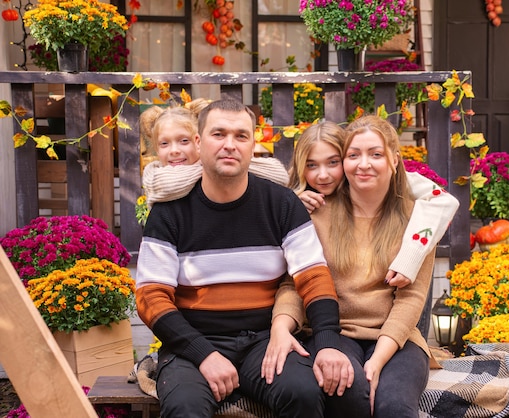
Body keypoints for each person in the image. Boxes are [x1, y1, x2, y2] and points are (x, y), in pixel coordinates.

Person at [135, 99, 354, 418]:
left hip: (264, 342)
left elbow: (313, 278)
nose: (229, 145)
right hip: (193, 345)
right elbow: (150, 297)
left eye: (241, 136)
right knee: (185, 408)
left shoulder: (281, 204)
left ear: (253, 145)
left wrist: (328, 341)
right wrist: (204, 354)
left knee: (303, 393)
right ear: (198, 142)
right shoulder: (169, 212)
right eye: (218, 134)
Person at [273, 116, 450, 417]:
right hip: (335, 332)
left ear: (394, 159)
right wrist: (282, 323)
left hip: (398, 338)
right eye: (353, 155)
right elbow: (295, 283)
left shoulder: (420, 219)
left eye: (376, 154)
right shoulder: (317, 211)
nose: (364, 164)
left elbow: (412, 298)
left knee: (393, 406)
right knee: (348, 392)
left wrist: (377, 362)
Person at [288, 121, 459, 288]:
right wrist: (295, 203)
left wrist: (410, 255)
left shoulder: (376, 178)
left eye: (333, 162)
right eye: (311, 165)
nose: (323, 175)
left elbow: (444, 201)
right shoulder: (297, 201)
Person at [139, 100, 290, 209]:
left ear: (199, 142)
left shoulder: (219, 162)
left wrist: (219, 164)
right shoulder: (154, 173)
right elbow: (165, 185)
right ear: (157, 149)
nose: (174, 150)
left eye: (184, 141)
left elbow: (279, 175)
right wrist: (211, 168)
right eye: (164, 144)